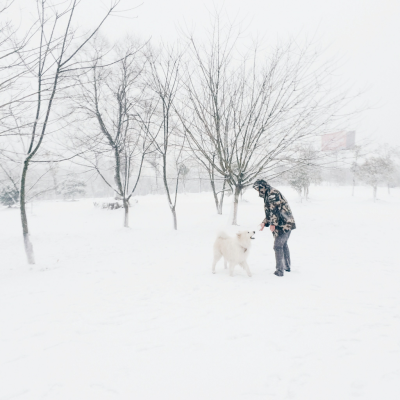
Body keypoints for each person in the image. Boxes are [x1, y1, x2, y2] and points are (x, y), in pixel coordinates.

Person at [253, 179, 296, 277]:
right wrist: (265, 222)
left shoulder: (272, 194)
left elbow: (275, 211)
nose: (257, 191)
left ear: (262, 187)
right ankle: (286, 267)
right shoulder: (268, 194)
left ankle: (279, 271)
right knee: (283, 245)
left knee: (277, 246)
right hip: (284, 223)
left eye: (257, 188)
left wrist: (273, 223)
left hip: (284, 223)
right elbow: (270, 212)